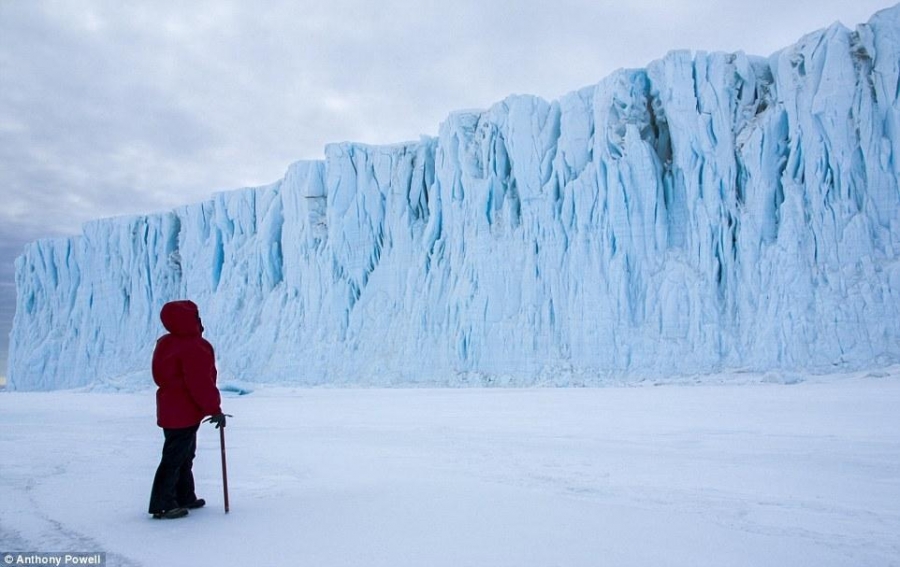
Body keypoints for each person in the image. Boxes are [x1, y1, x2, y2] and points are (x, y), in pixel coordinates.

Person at [148, 300, 227, 520]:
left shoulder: (166, 343)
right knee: (175, 457)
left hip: (169, 409)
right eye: (195, 317)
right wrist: (214, 409)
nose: (199, 321)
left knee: (182, 455)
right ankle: (163, 504)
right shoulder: (194, 347)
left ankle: (184, 496)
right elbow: (200, 383)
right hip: (184, 411)